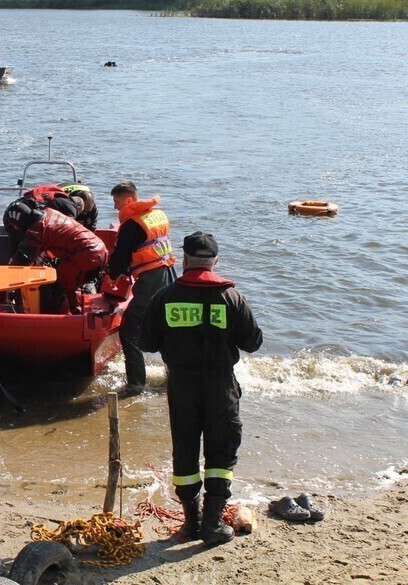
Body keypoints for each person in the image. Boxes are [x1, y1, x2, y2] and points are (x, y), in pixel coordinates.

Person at [139, 232, 263, 545]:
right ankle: (212, 525)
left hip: (181, 386)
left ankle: (190, 524)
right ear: (215, 261)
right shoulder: (231, 297)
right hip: (221, 385)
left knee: (185, 452)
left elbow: (146, 343)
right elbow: (253, 342)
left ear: (184, 260)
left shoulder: (164, 297)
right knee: (222, 451)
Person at [108, 181, 176, 394]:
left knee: (129, 329)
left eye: (117, 202)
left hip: (150, 279)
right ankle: (173, 377)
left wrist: (110, 276)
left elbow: (119, 259)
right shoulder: (157, 216)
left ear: (129, 200)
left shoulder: (131, 224)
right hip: (169, 274)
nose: (115, 208)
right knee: (166, 327)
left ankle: (136, 384)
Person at [5, 201, 108, 314]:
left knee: (58, 285)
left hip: (86, 255)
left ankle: (58, 315)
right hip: (99, 248)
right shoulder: (48, 212)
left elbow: (22, 260)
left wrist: (8, 283)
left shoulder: (36, 229)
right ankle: (74, 309)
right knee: (63, 277)